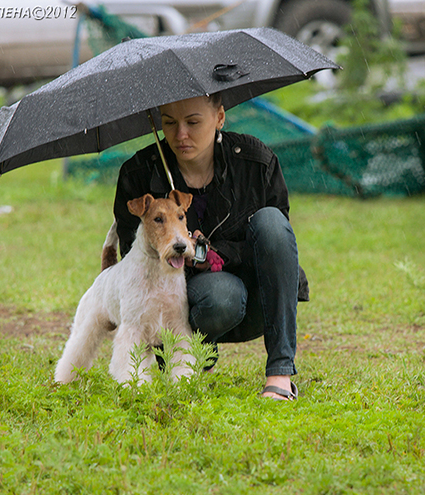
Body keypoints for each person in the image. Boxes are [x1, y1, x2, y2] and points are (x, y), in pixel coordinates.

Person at [113, 93, 309, 400]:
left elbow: (277, 244)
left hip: (258, 300)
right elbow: (131, 259)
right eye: (169, 123)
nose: (180, 135)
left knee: (270, 222)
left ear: (219, 117)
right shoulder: (138, 174)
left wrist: (217, 254)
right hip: (186, 304)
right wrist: (177, 253)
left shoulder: (257, 162)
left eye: (193, 122)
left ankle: (280, 375)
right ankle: (196, 359)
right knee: (222, 295)